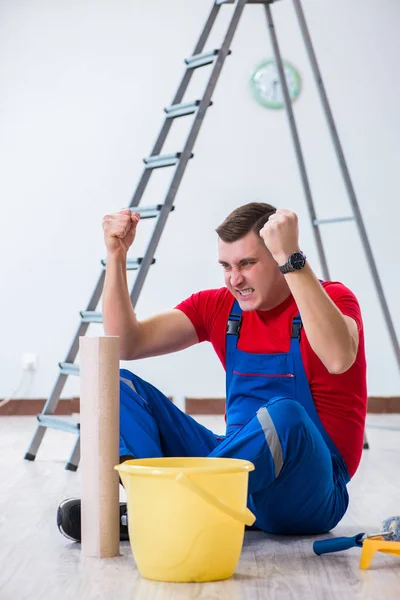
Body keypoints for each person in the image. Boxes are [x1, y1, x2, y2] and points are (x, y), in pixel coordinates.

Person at [57, 202, 367, 543]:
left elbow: (339, 358)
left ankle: (166, 511)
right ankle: (158, 506)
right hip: (233, 476)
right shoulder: (220, 307)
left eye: (247, 264)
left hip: (307, 490)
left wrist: (293, 256)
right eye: (226, 266)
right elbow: (126, 344)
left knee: (286, 416)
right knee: (113, 385)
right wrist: (116, 256)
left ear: (278, 259)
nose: (235, 279)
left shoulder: (332, 298)